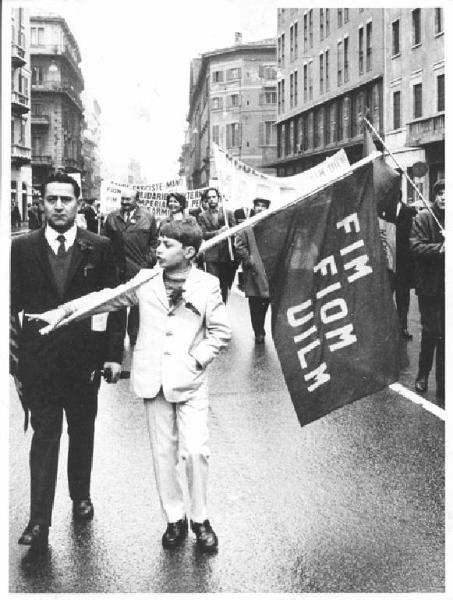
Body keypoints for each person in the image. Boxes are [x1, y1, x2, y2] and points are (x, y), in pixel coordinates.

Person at [28, 219, 231, 553]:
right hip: (153, 380)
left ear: (190, 252)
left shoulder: (207, 284)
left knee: (195, 451)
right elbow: (105, 299)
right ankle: (174, 518)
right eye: (158, 242)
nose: (158, 249)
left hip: (190, 381)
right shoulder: (146, 280)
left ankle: (201, 519)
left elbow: (220, 332)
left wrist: (196, 360)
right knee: (163, 454)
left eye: (167, 245)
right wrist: (63, 311)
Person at [11, 173, 126, 549]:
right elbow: (10, 306)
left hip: (83, 362)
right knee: (44, 435)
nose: (58, 206)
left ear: (79, 204)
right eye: (51, 200)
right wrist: (15, 359)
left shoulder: (101, 247)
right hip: (38, 361)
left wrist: (112, 355)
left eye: (65, 199)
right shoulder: (22, 249)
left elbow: (115, 303)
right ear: (40, 204)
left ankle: (81, 496)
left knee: (81, 431)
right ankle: (38, 521)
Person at [103, 188, 158, 346]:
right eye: (123, 199)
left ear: (137, 200)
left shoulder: (148, 217)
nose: (125, 202)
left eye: (129, 199)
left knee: (137, 304)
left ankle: (134, 335)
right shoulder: (112, 218)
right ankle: (115, 338)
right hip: (117, 268)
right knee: (116, 303)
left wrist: (149, 261)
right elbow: (104, 241)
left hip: (139, 268)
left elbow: (154, 242)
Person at [409, 178, 445, 404]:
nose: (445, 197)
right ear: (435, 196)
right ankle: (423, 374)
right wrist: (441, 248)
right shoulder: (423, 218)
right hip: (430, 288)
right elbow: (415, 246)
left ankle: (443, 383)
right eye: (441, 193)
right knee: (433, 332)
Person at [234, 198, 271, 343]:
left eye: (263, 206)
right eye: (258, 206)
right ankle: (258, 331)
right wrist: (249, 260)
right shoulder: (247, 226)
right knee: (255, 302)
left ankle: (261, 327)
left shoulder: (272, 224)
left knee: (266, 300)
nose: (260, 209)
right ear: (253, 208)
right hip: (254, 271)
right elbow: (239, 245)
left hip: (267, 270)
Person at [197, 187, 237, 303]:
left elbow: (235, 232)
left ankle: (222, 307)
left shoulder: (227, 213)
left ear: (218, 198)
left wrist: (229, 230)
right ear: (206, 200)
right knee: (213, 285)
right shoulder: (202, 216)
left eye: (213, 197)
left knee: (224, 286)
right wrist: (219, 232)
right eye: (208, 198)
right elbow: (203, 234)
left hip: (226, 255)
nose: (211, 200)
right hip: (211, 256)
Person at [395, 198, 418, 340]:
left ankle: (402, 327)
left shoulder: (409, 211)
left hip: (403, 264)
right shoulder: (381, 210)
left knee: (403, 298)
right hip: (387, 262)